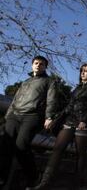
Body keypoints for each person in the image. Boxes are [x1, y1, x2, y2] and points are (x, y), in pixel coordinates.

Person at [29, 63, 87, 190]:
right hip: (70, 121)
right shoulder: (78, 88)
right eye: (82, 71)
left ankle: (77, 185)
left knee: (80, 154)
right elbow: (69, 106)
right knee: (57, 149)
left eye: (86, 71)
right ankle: (45, 183)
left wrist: (84, 120)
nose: (82, 73)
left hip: (85, 123)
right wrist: (56, 119)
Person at [2, 56, 57, 189]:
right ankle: (2, 179)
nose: (38, 65)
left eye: (42, 64)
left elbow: (51, 100)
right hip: (14, 115)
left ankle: (33, 176)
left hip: (32, 116)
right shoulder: (25, 82)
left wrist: (49, 117)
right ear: (32, 65)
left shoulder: (49, 81)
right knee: (5, 146)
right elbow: (15, 99)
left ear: (45, 67)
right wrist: (8, 116)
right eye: (36, 63)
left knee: (21, 146)